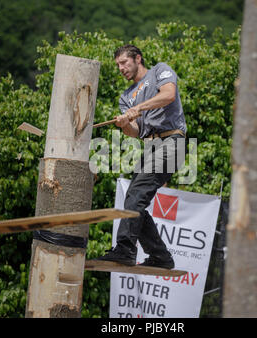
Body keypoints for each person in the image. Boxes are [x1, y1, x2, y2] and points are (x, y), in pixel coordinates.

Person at [98, 44, 187, 269]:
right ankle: (161, 257)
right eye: (117, 65)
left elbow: (168, 95)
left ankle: (125, 249)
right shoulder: (126, 96)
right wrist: (126, 123)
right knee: (133, 200)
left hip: (171, 141)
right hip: (150, 146)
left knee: (136, 195)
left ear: (138, 58)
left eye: (124, 62)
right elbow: (135, 132)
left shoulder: (160, 71)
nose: (120, 68)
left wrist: (139, 109)